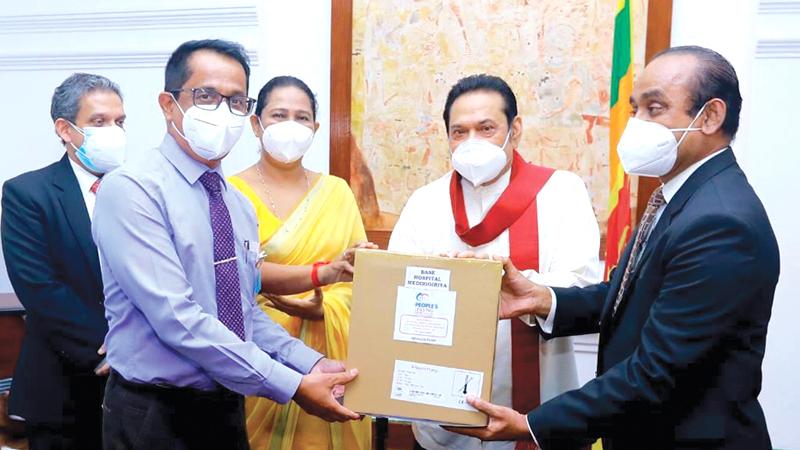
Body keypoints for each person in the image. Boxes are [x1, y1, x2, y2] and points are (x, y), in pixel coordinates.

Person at [447, 46, 780, 450]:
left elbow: (657, 371)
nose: (637, 123)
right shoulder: (684, 196)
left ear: (709, 116)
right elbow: (629, 297)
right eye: (635, 108)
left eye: (655, 108)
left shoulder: (720, 221)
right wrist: (541, 299)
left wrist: (532, 424)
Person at [92, 39, 360, 450]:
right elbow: (177, 318)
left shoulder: (236, 204)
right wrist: (293, 385)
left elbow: (243, 312)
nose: (223, 111)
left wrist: (314, 362)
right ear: (169, 104)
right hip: (155, 413)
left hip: (227, 402)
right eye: (206, 96)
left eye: (236, 101)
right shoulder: (132, 190)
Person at [388, 74, 600, 450]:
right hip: (444, 422)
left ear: (514, 129)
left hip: (536, 414)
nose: (471, 142)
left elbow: (583, 287)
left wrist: (517, 286)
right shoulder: (425, 202)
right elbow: (397, 295)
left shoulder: (561, 192)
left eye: (486, 128)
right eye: (459, 132)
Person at [228, 75, 373, 449]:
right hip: (257, 354)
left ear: (316, 127)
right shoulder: (231, 193)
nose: (291, 125)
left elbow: (361, 278)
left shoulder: (337, 192)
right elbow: (234, 277)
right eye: (279, 115)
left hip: (330, 350)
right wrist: (315, 277)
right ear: (256, 124)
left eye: (302, 117)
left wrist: (324, 309)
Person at [1, 72, 126, 449]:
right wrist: (112, 347)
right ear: (65, 129)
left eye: (120, 122)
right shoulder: (28, 193)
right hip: (64, 389)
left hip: (140, 389)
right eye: (99, 122)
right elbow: (41, 288)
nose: (114, 131)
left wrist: (138, 349)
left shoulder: (139, 189)